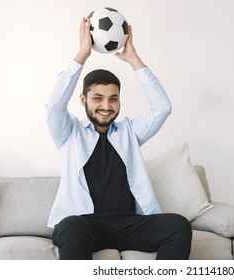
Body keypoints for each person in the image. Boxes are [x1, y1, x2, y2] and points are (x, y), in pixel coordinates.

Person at [45, 18, 192, 260]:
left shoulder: (130, 132)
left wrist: (133, 59)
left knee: (177, 225)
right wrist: (82, 54)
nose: (106, 105)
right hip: (84, 224)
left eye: (113, 98)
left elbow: (162, 108)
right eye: (98, 98)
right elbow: (54, 105)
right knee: (70, 227)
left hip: (128, 224)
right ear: (83, 100)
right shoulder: (68, 133)